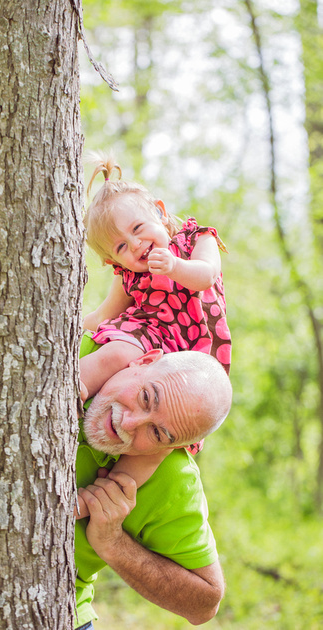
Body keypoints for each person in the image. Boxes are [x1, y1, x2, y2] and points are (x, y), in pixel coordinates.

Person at [0, 304, 232, 629]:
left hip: (50, 621)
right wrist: (14, 394)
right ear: (144, 361)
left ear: (173, 447)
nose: (129, 423)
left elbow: (205, 603)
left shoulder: (171, 477)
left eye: (157, 432)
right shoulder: (77, 354)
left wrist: (113, 543)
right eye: (147, 397)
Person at [78, 154, 231, 512]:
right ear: (112, 262)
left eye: (137, 229)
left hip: (190, 354)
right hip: (148, 334)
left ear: (160, 212)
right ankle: (70, 387)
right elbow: (104, 316)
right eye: (120, 248)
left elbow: (207, 274)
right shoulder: (129, 275)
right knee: (118, 354)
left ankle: (104, 496)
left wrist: (176, 266)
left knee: (156, 448)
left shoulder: (196, 239)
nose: (135, 245)